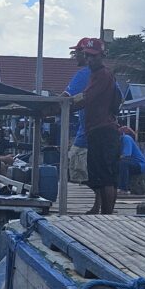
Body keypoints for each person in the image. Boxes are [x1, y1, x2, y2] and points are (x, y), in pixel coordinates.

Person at [70, 38, 122, 215]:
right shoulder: (97, 75)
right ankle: (104, 213)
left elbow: (86, 98)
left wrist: (64, 104)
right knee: (100, 175)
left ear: (102, 56)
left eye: (93, 56)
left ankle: (107, 215)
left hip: (104, 131)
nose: (90, 59)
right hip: (97, 130)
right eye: (87, 56)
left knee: (106, 177)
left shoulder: (103, 75)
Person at [63, 39, 93, 184]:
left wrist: (42, 108)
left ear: (84, 54)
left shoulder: (84, 74)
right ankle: (98, 206)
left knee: (80, 179)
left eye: (77, 52)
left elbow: (64, 99)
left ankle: (87, 204)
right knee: (99, 179)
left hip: (86, 138)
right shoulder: (106, 75)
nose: (75, 55)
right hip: (101, 136)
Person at [118, 127, 145, 195]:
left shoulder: (126, 138)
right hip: (132, 163)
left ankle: (124, 189)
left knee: (123, 162)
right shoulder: (120, 141)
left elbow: (126, 155)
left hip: (140, 164)